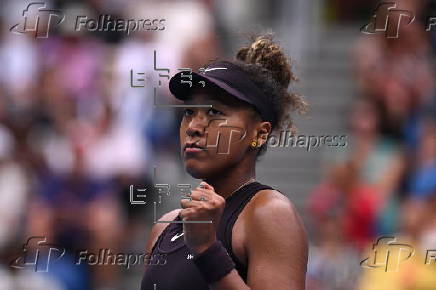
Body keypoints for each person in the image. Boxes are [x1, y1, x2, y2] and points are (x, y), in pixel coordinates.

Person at [141, 35, 308, 290]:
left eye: (215, 112)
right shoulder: (163, 228)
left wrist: (207, 250)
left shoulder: (270, 214)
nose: (194, 127)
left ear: (259, 133)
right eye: (189, 112)